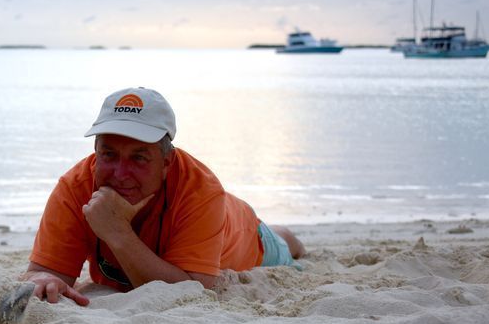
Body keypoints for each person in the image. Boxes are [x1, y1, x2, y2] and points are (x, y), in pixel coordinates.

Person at [20, 87, 305, 305]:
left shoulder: (202, 191)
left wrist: (117, 231)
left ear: (167, 162)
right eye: (109, 154)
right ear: (96, 151)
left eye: (139, 158)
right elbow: (46, 273)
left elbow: (192, 291)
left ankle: (286, 237)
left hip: (245, 235)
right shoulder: (75, 186)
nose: (120, 173)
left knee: (283, 243)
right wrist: (43, 279)